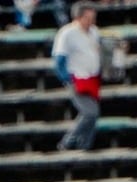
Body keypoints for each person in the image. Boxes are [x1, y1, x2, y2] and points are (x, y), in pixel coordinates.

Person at [53, 3, 102, 151]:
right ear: (78, 17)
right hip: (76, 78)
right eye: (87, 18)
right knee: (90, 112)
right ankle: (68, 141)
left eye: (92, 18)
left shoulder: (94, 31)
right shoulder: (67, 33)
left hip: (92, 78)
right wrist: (67, 79)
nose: (90, 21)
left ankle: (85, 145)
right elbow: (59, 58)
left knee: (91, 114)